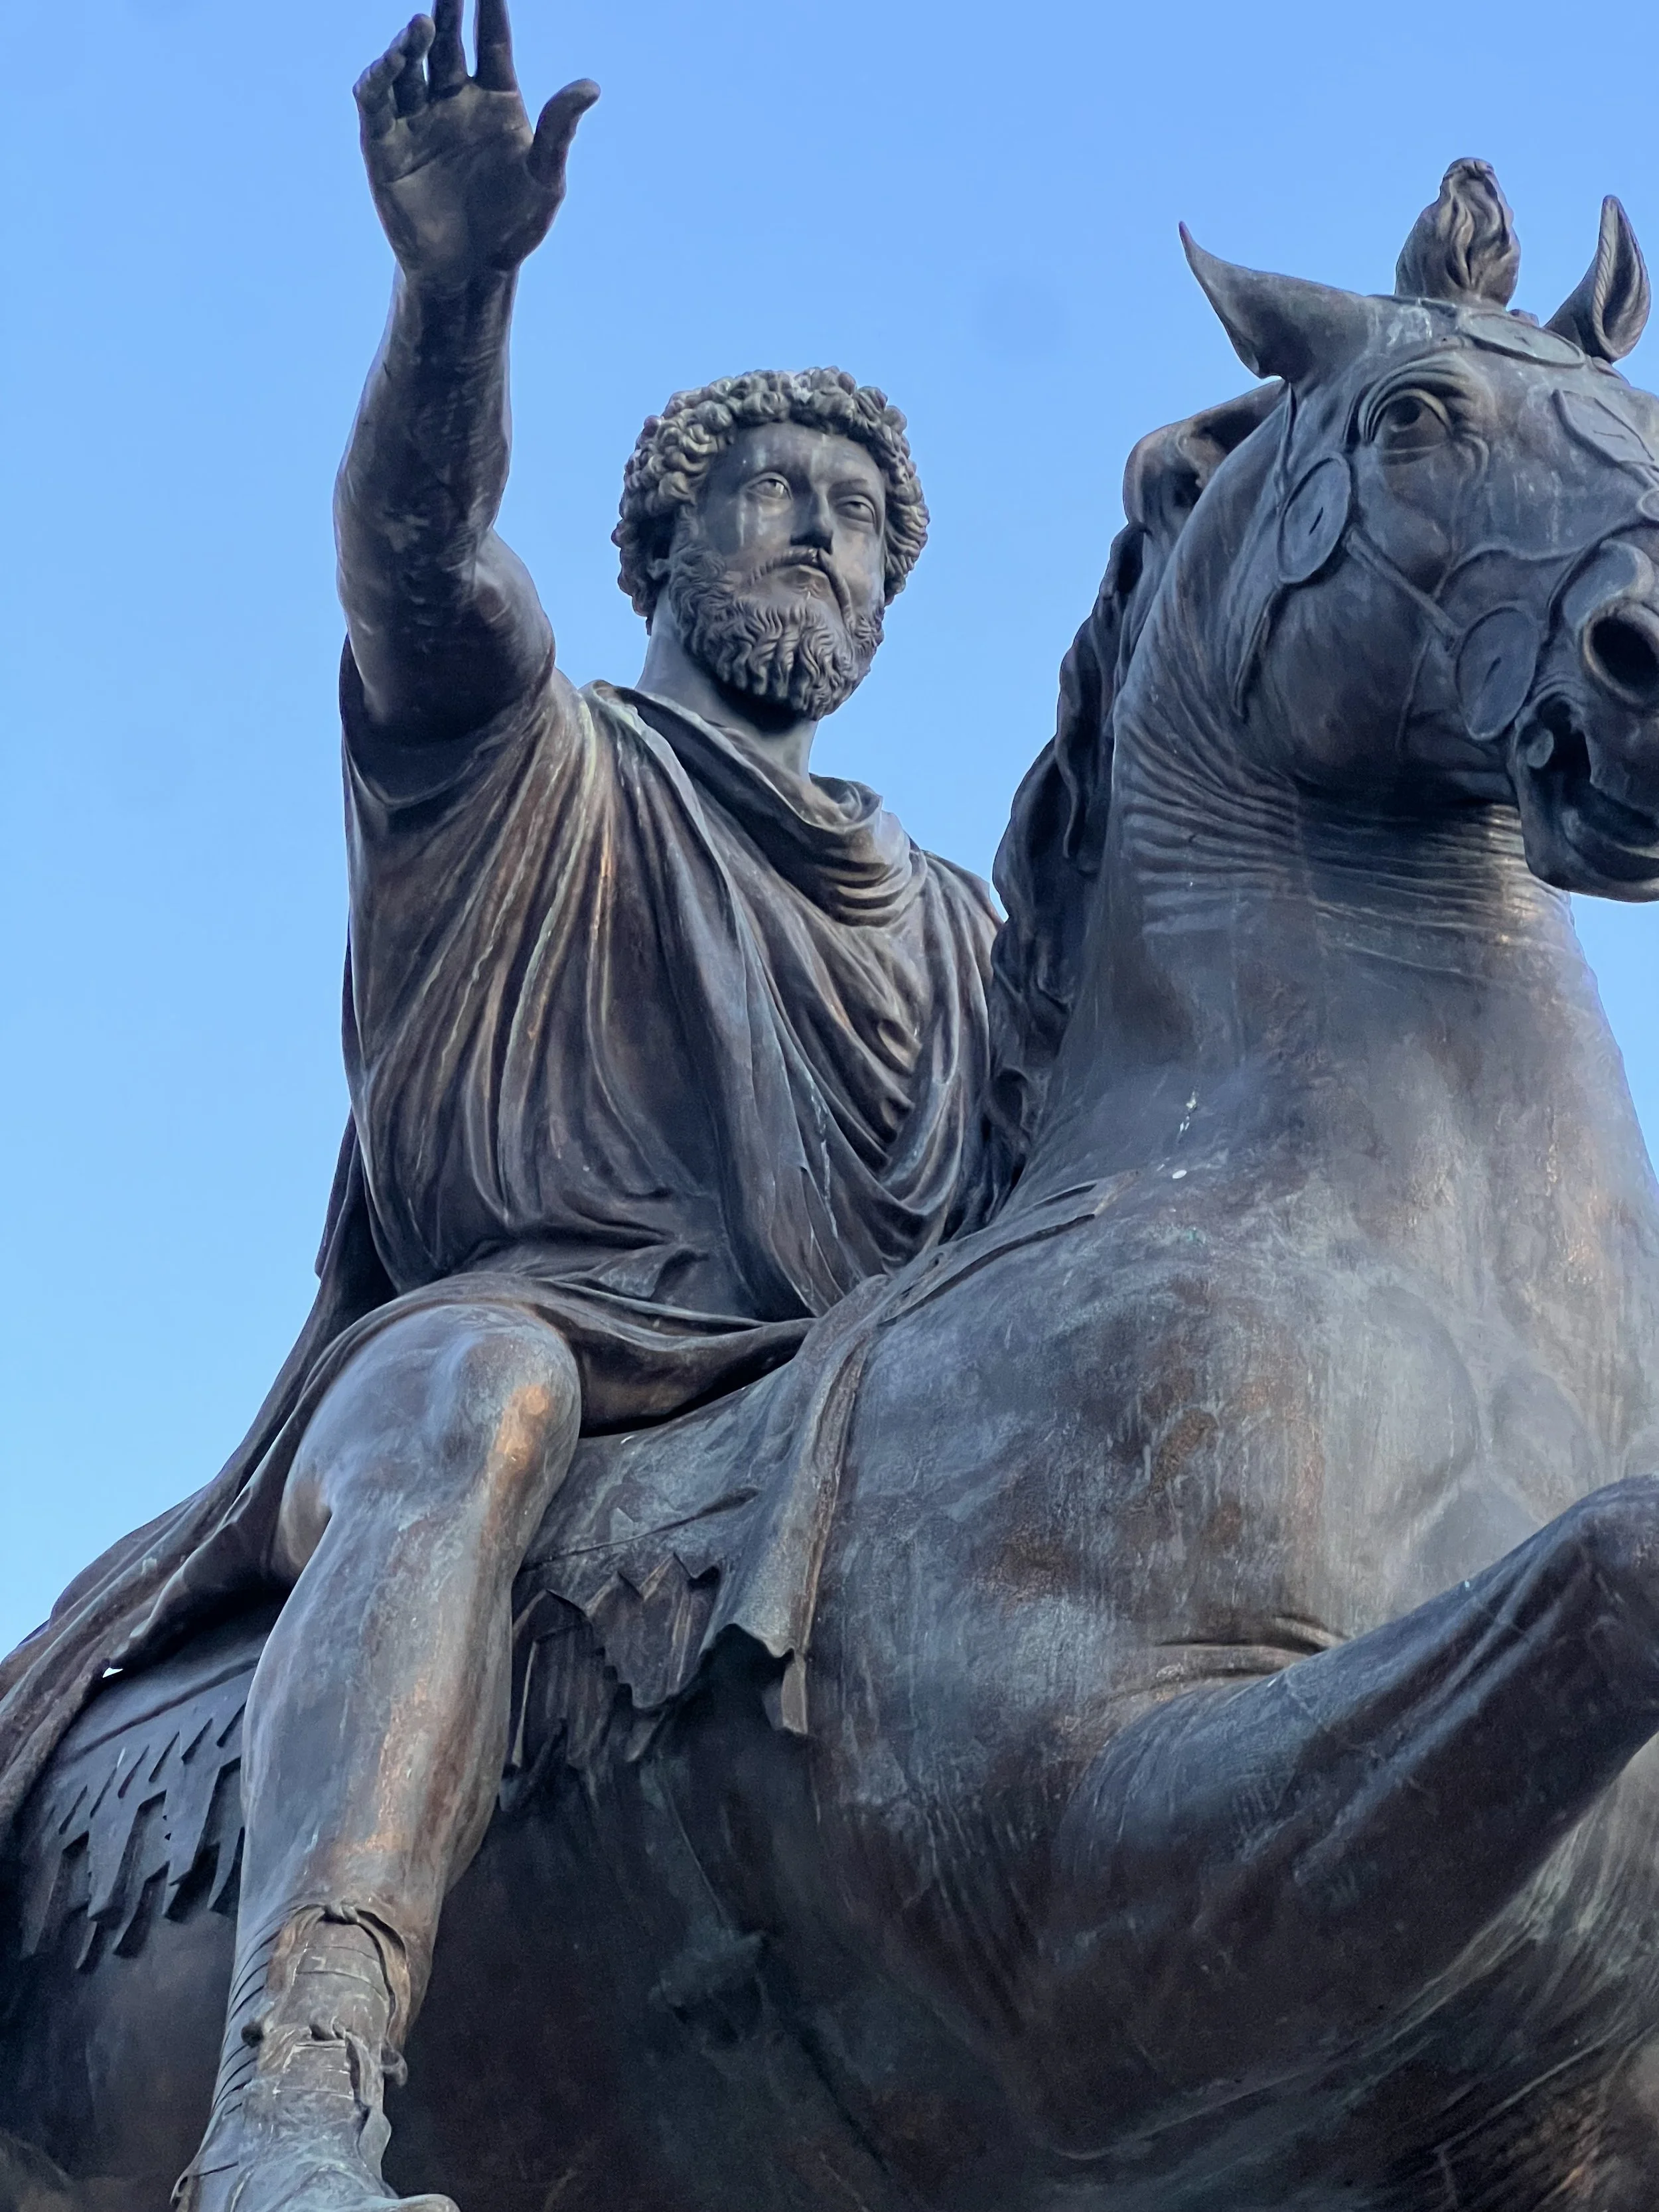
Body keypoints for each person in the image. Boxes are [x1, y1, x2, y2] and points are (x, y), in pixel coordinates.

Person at [160, 3, 999, 2205]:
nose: (820, 540)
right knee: (473, 1403)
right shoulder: (526, 751)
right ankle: (294, 2096)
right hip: (533, 1312)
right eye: (774, 500)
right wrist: (457, 291)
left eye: (859, 527)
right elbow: (414, 570)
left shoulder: (960, 920)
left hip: (842, 1385)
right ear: (663, 547)